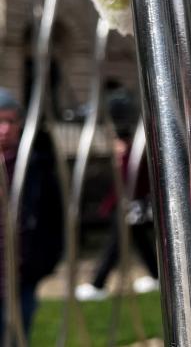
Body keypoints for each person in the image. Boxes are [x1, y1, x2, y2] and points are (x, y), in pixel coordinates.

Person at [75, 88, 158, 301]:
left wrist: (109, 205)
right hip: (132, 207)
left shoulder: (129, 156)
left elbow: (125, 186)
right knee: (140, 242)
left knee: (114, 246)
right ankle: (157, 275)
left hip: (129, 206)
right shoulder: (132, 154)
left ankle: (98, 283)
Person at [0, 87, 64, 337]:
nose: (4, 129)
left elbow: (55, 217)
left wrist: (44, 263)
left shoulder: (36, 166)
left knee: (17, 336)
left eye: (10, 121)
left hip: (21, 276)